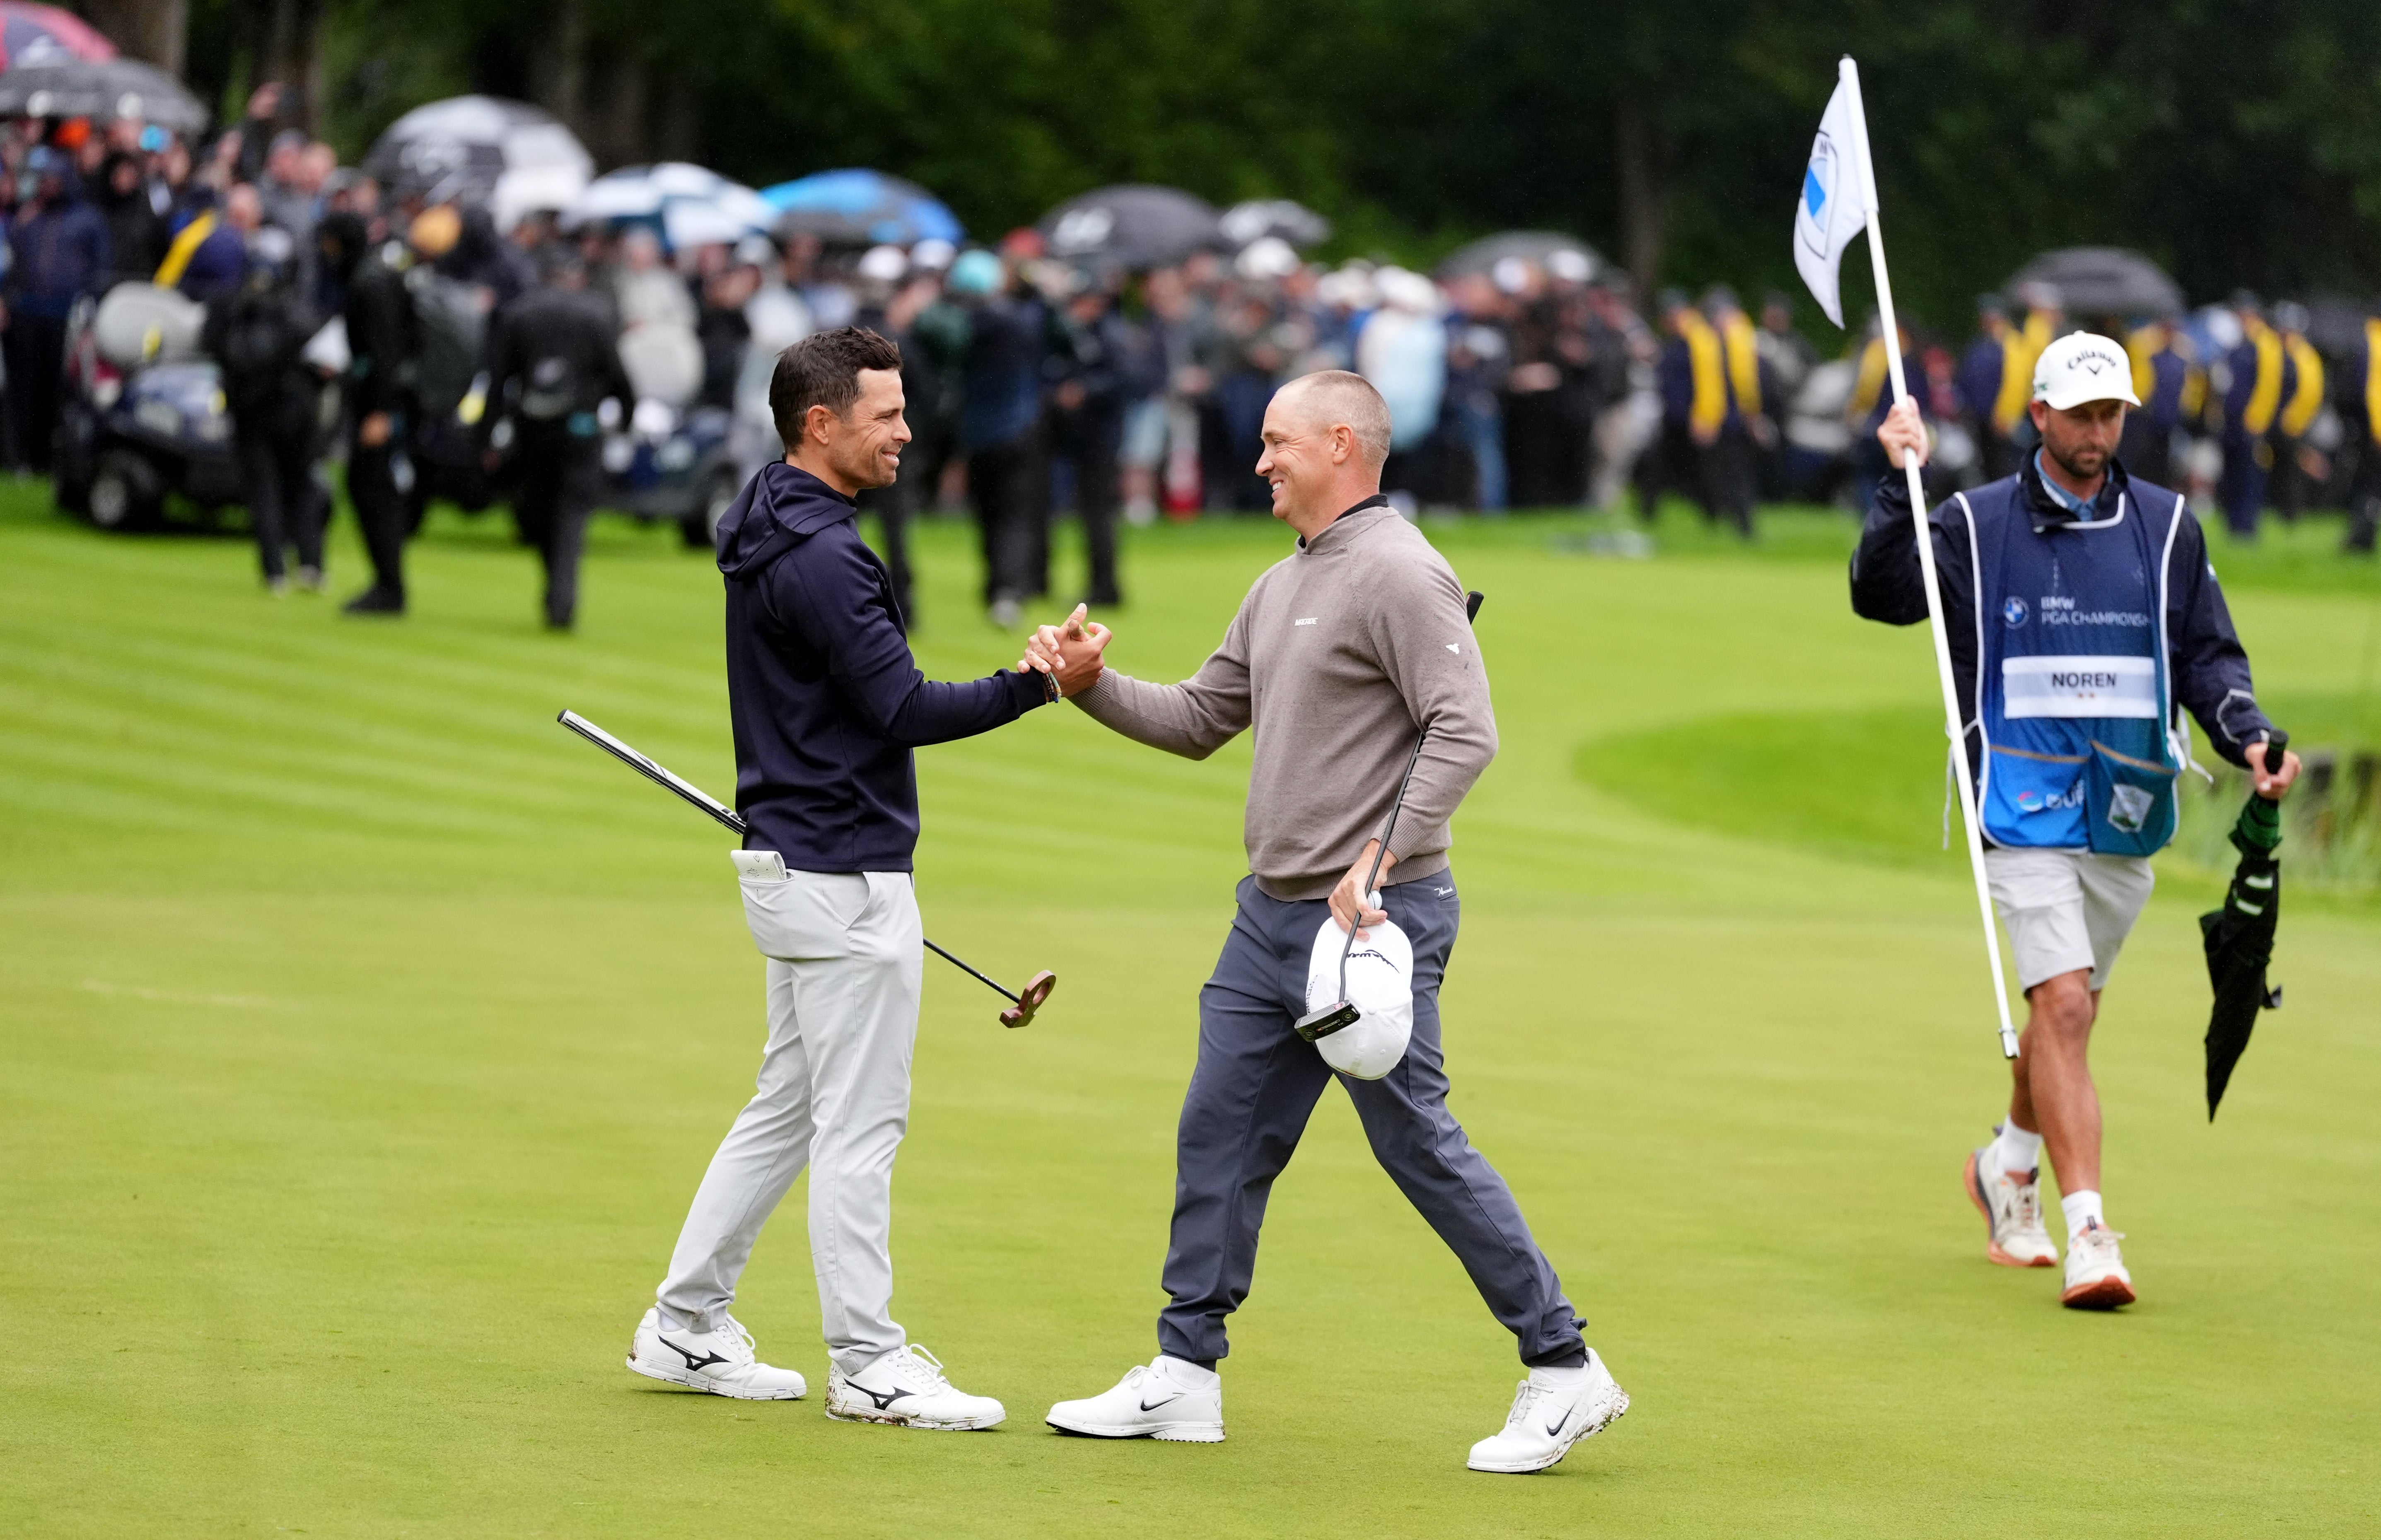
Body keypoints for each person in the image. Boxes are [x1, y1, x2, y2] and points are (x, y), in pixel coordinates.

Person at [1028, 370, 1628, 1473]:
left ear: (1340, 444)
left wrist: (1381, 852)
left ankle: (1562, 1363)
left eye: (1275, 442)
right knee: (1219, 1130)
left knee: (1415, 1141)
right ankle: (1184, 1374)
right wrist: (1089, 684)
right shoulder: (1280, 582)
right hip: (1270, 918)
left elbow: (1465, 730)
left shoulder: (1402, 571)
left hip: (1372, 919)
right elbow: (1203, 717)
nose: (1258, 461)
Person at [627, 326, 1074, 1429]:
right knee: (858, 1127)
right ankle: (869, 1360)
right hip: (840, 874)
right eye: (885, 415)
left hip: (799, 862)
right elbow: (905, 708)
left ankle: (683, 1324)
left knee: (786, 1107)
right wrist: (1037, 680)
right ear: (818, 424)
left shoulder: (776, 518)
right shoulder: (826, 555)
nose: (906, 432)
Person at [1855, 333, 2301, 1311]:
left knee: (2071, 1014)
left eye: (2114, 415)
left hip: (2127, 807)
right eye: (2084, 414)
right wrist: (1898, 484)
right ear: (2042, 416)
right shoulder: (1974, 525)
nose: (2101, 432)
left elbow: (2207, 658)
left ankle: (2006, 1163)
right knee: (2059, 1006)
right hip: (2015, 803)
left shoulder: (2167, 524)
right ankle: (2090, 1229)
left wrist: (2249, 737)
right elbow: (1882, 596)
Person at [479, 248, 635, 630]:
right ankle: (561, 597)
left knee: (541, 514)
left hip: (533, 433)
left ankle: (557, 593)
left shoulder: (518, 315)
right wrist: (624, 423)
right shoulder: (594, 316)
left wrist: (485, 438)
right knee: (570, 515)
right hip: (580, 430)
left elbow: (497, 382)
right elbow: (619, 378)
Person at [202, 228, 326, 593]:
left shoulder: (231, 306)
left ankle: (276, 570)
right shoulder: (296, 310)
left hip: (253, 411)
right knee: (300, 485)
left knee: (266, 490)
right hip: (292, 409)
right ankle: (310, 564)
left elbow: (213, 347)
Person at [319, 210, 419, 616]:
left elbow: (384, 353)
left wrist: (380, 410)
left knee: (372, 491)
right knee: (371, 490)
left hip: (380, 405)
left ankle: (389, 586)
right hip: (384, 400)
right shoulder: (377, 276)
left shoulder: (369, 284)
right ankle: (387, 583)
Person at [949, 248, 1044, 625]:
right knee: (1012, 516)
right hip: (1016, 430)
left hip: (978, 433)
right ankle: (1007, 590)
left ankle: (994, 586)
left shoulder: (962, 325)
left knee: (988, 514)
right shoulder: (1018, 322)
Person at [2, 146, 110, 473]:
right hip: (28, 314)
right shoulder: (28, 218)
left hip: (67, 316)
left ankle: (55, 458)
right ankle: (24, 457)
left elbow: (101, 268)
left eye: (52, 180)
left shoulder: (87, 220)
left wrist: (90, 306)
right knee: (25, 389)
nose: (46, 186)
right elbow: (14, 265)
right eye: (42, 180)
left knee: (59, 390)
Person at [2218, 291, 2285, 539]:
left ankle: (2247, 527)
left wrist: (2256, 420)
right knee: (2234, 473)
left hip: (2252, 424)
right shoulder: (2239, 343)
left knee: (2251, 474)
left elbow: (2269, 385)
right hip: (2233, 422)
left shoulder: (2265, 342)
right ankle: (2234, 525)